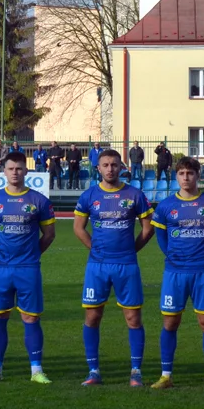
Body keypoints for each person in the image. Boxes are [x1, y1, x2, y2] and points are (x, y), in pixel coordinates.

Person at [73, 149, 154, 387]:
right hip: (97, 266)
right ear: (98, 168)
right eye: (105, 165)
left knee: (133, 318)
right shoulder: (89, 196)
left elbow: (148, 228)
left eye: (114, 165)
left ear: (122, 167)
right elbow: (78, 228)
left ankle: (136, 372)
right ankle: (93, 371)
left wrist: (131, 250)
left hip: (126, 265)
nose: (110, 169)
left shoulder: (134, 194)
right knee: (92, 316)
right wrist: (95, 249)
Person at [150, 157, 204, 391]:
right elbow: (162, 240)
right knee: (170, 322)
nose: (186, 177)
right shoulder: (165, 206)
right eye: (182, 173)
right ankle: (166, 375)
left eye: (190, 173)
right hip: (174, 273)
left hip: (202, 272)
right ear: (176, 176)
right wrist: (175, 257)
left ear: (198, 175)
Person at [0, 152, 56, 384]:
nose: (15, 172)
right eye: (11, 168)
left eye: (19, 168)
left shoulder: (39, 201)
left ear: (26, 171)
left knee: (30, 318)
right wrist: (3, 252)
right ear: (4, 171)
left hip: (28, 269)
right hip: (0, 270)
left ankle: (36, 371)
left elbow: (49, 234)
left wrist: (30, 254)